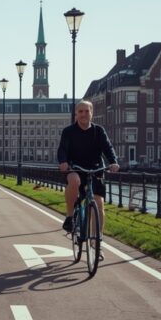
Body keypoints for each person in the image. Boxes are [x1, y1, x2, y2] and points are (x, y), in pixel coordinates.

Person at [57, 100, 120, 239]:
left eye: (87, 111)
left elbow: (108, 148)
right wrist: (63, 162)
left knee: (99, 204)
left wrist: (113, 162)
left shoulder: (99, 131)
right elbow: (62, 149)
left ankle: (97, 239)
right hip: (75, 167)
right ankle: (69, 216)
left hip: (96, 168)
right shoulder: (68, 132)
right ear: (76, 114)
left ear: (92, 113)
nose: (84, 114)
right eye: (80, 111)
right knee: (74, 180)